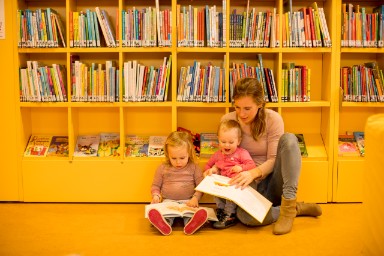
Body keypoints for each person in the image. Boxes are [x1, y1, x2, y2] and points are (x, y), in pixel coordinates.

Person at [204, 77, 322, 235]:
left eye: (247, 108)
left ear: (260, 104)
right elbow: (223, 156)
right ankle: (295, 209)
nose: (241, 114)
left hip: (272, 181)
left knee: (289, 139)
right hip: (244, 185)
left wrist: (253, 173)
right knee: (246, 218)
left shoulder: (273, 119)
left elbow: (274, 159)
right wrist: (214, 170)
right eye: (237, 107)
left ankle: (288, 206)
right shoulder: (228, 121)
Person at [148, 131, 208, 235]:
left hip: (189, 201)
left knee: (190, 214)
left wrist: (195, 198)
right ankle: (164, 223)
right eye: (174, 158)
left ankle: (191, 223)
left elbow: (201, 186)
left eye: (182, 158)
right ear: (168, 155)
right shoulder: (162, 168)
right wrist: (156, 196)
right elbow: (156, 185)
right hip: (168, 201)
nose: (178, 162)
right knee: (166, 213)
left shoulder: (194, 167)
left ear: (189, 153)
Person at [204, 119, 256, 229]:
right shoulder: (217, 154)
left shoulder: (242, 153)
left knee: (231, 194)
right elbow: (208, 166)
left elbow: (252, 165)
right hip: (221, 183)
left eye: (231, 142)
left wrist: (240, 167)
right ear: (218, 139)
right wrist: (210, 171)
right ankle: (221, 211)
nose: (227, 145)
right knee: (216, 194)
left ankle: (229, 215)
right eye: (223, 142)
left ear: (238, 141)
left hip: (235, 183)